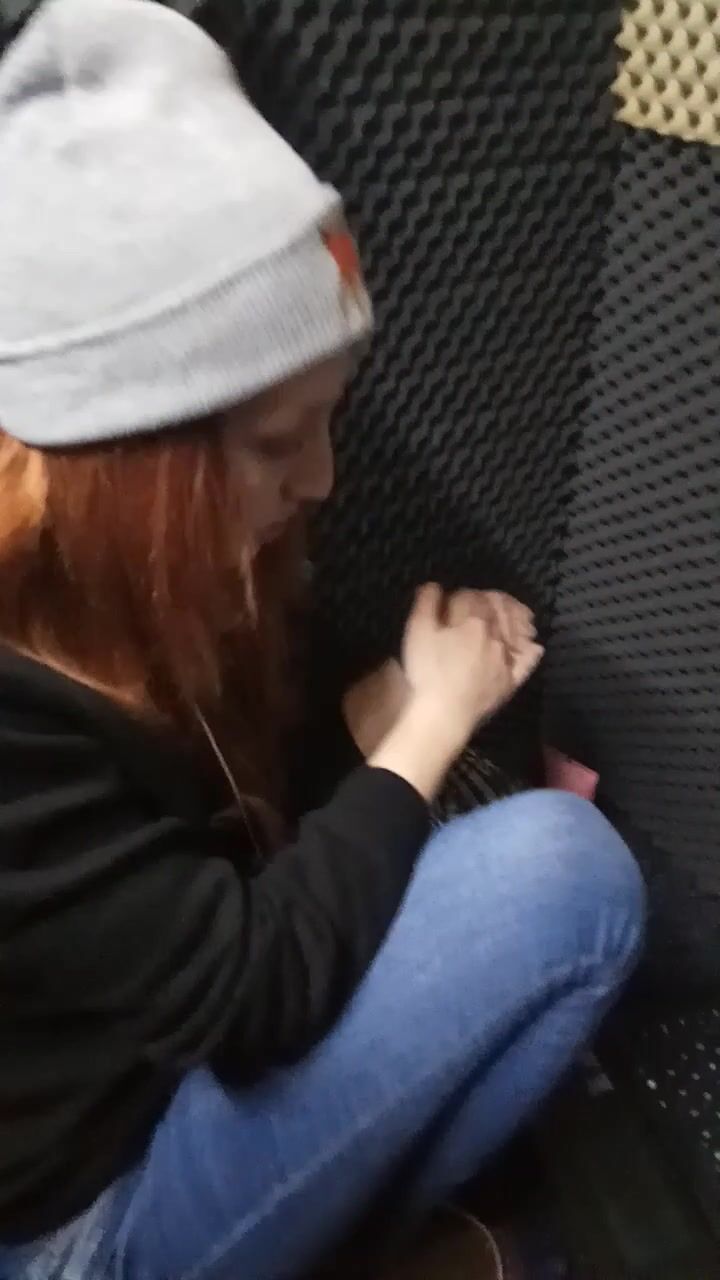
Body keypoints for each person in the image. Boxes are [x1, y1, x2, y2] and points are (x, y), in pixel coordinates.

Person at [0, 1, 645, 1277]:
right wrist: (429, 728)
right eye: (275, 440)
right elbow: (254, 993)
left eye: (328, 420)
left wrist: (371, 723)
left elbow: (180, 868)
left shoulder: (124, 595)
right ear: (119, 476)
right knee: (565, 876)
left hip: (157, 1084)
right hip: (79, 1217)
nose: (324, 480)